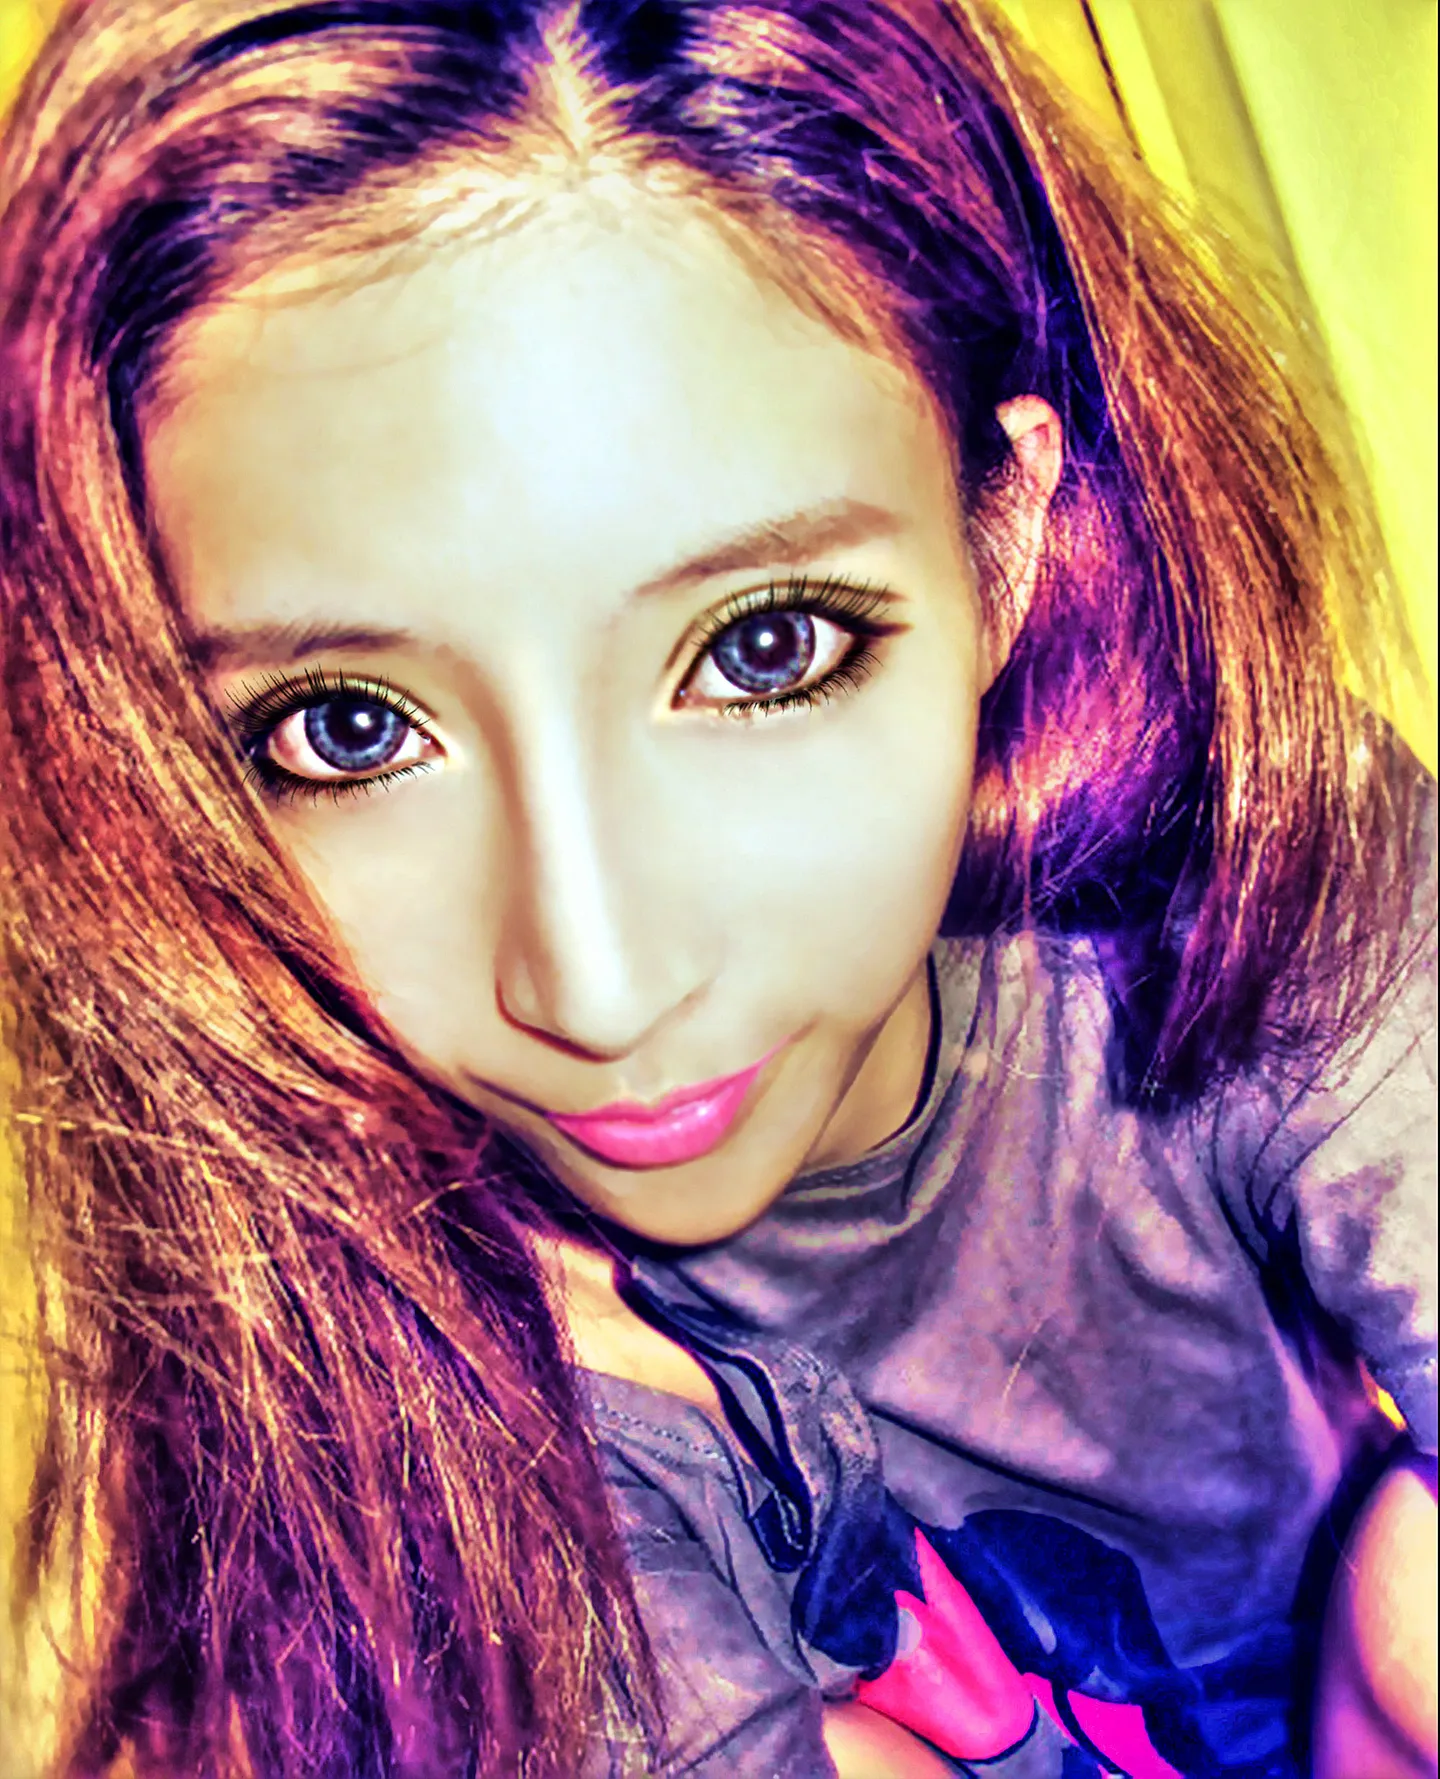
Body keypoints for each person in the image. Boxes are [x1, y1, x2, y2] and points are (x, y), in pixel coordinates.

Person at [0, 0, 1433, 1775]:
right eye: (349, 728)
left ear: (1001, 545)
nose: (596, 985)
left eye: (763, 647)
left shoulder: (1228, 863)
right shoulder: (419, 1370)